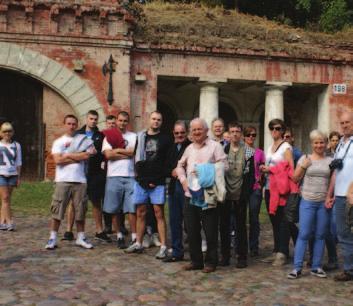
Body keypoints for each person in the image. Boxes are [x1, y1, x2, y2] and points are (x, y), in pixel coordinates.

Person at [177, 118, 227, 273]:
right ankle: (196, 261)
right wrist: (183, 180)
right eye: (194, 130)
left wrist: (207, 170)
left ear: (206, 131)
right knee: (191, 229)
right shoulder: (189, 148)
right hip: (190, 194)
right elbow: (179, 165)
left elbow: (225, 165)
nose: (196, 132)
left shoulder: (215, 146)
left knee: (210, 229)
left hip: (208, 194)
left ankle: (211, 262)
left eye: (199, 129)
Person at [125, 111, 171, 259]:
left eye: (159, 119)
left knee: (159, 213)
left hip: (157, 182)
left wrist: (156, 179)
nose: (156, 121)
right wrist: (143, 179)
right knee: (140, 212)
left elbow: (167, 163)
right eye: (153, 119)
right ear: (149, 120)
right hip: (141, 181)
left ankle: (163, 246)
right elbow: (137, 160)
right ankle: (138, 242)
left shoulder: (165, 139)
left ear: (161, 122)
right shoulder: (141, 137)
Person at [45, 114, 96, 250]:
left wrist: (67, 155)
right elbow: (58, 160)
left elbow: (88, 155)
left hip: (80, 180)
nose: (71, 126)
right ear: (64, 124)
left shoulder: (83, 139)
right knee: (57, 210)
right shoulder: (58, 142)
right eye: (69, 123)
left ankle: (80, 237)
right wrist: (78, 157)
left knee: (81, 211)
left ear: (77, 125)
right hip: (63, 180)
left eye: (74, 124)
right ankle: (52, 238)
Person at [287, 130, 332, 279]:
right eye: (316, 142)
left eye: (321, 142)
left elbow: (333, 181)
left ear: (325, 144)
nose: (319, 145)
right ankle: (297, 267)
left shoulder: (329, 161)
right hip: (307, 201)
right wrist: (304, 166)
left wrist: (330, 197)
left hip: (323, 203)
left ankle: (316, 266)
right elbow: (294, 178)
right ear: (312, 144)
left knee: (320, 235)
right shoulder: (305, 158)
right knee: (304, 234)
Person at [64, 110, 111, 243]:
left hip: (95, 173)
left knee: (96, 202)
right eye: (91, 118)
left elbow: (103, 154)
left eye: (95, 119)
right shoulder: (77, 134)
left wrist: (99, 159)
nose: (93, 121)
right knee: (74, 202)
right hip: (78, 172)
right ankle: (68, 230)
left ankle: (99, 231)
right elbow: (70, 151)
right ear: (86, 119)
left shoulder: (100, 136)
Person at [260, 118, 297, 266]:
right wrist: (265, 169)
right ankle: (277, 250)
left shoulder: (286, 147)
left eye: (277, 128)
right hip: (270, 188)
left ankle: (282, 252)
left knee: (283, 221)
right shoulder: (270, 147)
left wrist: (271, 169)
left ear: (283, 130)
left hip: (282, 189)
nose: (274, 131)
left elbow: (290, 167)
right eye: (272, 128)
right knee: (274, 220)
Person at [102, 111, 137, 248]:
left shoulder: (133, 137)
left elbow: (133, 153)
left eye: (125, 121)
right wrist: (125, 152)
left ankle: (134, 237)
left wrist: (116, 150)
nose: (122, 123)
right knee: (115, 209)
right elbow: (108, 155)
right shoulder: (109, 137)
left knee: (132, 209)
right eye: (120, 120)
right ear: (116, 121)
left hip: (130, 176)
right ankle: (119, 236)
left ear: (128, 122)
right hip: (113, 176)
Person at [222, 122, 255, 268]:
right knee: (224, 226)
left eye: (237, 131)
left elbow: (251, 176)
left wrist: (245, 194)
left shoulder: (248, 151)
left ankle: (242, 256)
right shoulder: (224, 149)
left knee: (241, 227)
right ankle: (225, 256)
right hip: (225, 193)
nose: (234, 134)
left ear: (241, 134)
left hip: (240, 194)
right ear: (228, 134)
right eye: (232, 131)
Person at [326, 111, 353, 281]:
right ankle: (349, 268)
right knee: (342, 232)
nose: (344, 126)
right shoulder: (340, 144)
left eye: (347, 122)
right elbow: (336, 171)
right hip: (340, 196)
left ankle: (349, 269)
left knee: (345, 233)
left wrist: (351, 191)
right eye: (342, 123)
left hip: (351, 195)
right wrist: (330, 194)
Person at [163, 121, 190, 262]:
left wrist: (181, 171)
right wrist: (172, 171)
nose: (179, 135)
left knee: (190, 222)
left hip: (187, 188)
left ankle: (194, 250)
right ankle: (177, 251)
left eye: (182, 132)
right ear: (173, 133)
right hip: (174, 187)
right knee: (174, 221)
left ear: (186, 133)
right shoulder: (171, 148)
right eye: (177, 133)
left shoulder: (190, 146)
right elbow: (165, 167)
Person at [243, 126, 265, 257]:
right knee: (239, 219)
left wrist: (261, 180)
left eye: (253, 135)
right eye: (248, 135)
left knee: (254, 218)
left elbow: (262, 168)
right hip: (241, 188)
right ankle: (241, 245)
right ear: (244, 137)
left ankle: (254, 246)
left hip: (255, 188)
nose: (251, 137)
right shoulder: (240, 151)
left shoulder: (259, 152)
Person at [0, 122, 21, 231]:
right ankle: (9, 222)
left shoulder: (16, 145)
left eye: (9, 131)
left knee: (7, 200)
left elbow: (18, 162)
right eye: (4, 131)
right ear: (1, 133)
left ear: (12, 132)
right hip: (1, 174)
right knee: (5, 198)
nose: (7, 133)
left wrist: (18, 177)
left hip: (13, 174)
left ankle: (2, 221)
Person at [102, 115, 116, 234]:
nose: (111, 125)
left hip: (115, 170)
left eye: (113, 123)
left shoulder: (118, 135)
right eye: (109, 123)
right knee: (106, 200)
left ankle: (120, 225)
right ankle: (107, 225)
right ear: (106, 123)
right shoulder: (103, 135)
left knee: (118, 200)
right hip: (104, 171)